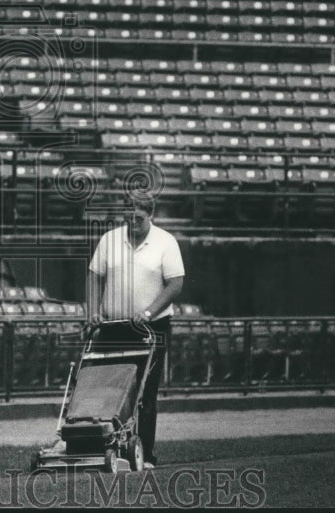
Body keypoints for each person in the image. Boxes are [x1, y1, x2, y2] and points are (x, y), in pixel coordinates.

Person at [87, 191, 184, 469]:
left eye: (138, 218)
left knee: (145, 393)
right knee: (108, 389)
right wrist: (93, 311)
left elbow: (175, 284)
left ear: (150, 215)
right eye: (128, 217)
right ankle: (106, 446)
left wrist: (149, 312)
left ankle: (145, 453)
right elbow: (94, 276)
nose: (133, 222)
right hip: (113, 327)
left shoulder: (166, 242)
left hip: (151, 328)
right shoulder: (109, 240)